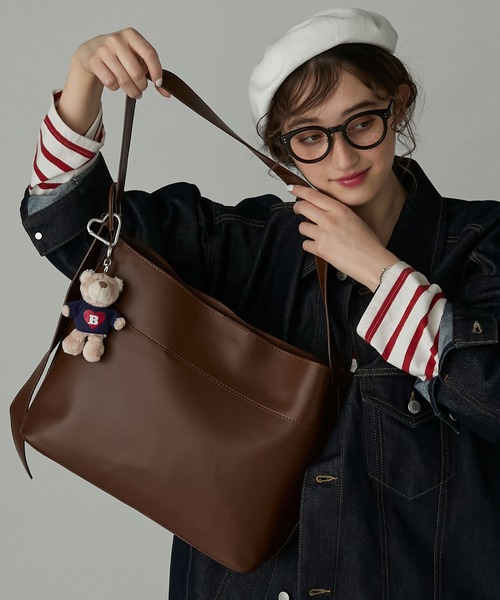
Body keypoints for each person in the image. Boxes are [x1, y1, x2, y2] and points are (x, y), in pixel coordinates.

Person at [21, 8, 500, 600]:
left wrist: (380, 272)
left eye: (362, 123)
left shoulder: (485, 247)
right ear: (281, 145)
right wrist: (82, 80)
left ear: (398, 104)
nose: (343, 158)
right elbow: (73, 228)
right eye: (310, 137)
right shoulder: (239, 245)